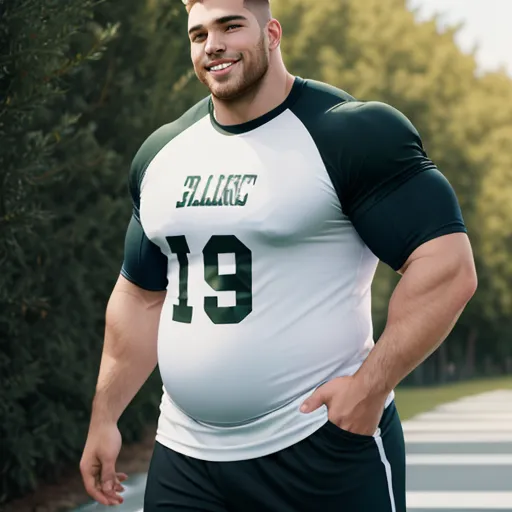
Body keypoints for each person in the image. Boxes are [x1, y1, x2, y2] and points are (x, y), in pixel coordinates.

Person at [79, 0, 477, 510]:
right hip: (187, 456)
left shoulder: (350, 133)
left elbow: (447, 268)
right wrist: (105, 415)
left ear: (272, 32)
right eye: (198, 34)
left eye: (230, 26)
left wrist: (369, 389)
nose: (213, 44)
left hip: (320, 446)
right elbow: (139, 297)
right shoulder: (162, 154)